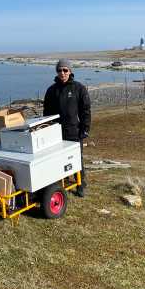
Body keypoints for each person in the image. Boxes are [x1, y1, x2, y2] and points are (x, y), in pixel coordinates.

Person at [43, 59, 91, 197]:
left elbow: (85, 111)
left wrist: (85, 129)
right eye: (59, 70)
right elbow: (46, 113)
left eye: (65, 70)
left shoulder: (79, 88)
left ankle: (81, 184)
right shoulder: (51, 90)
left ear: (70, 71)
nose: (62, 73)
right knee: (58, 159)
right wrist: (46, 129)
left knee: (76, 158)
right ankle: (61, 183)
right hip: (56, 132)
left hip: (74, 131)